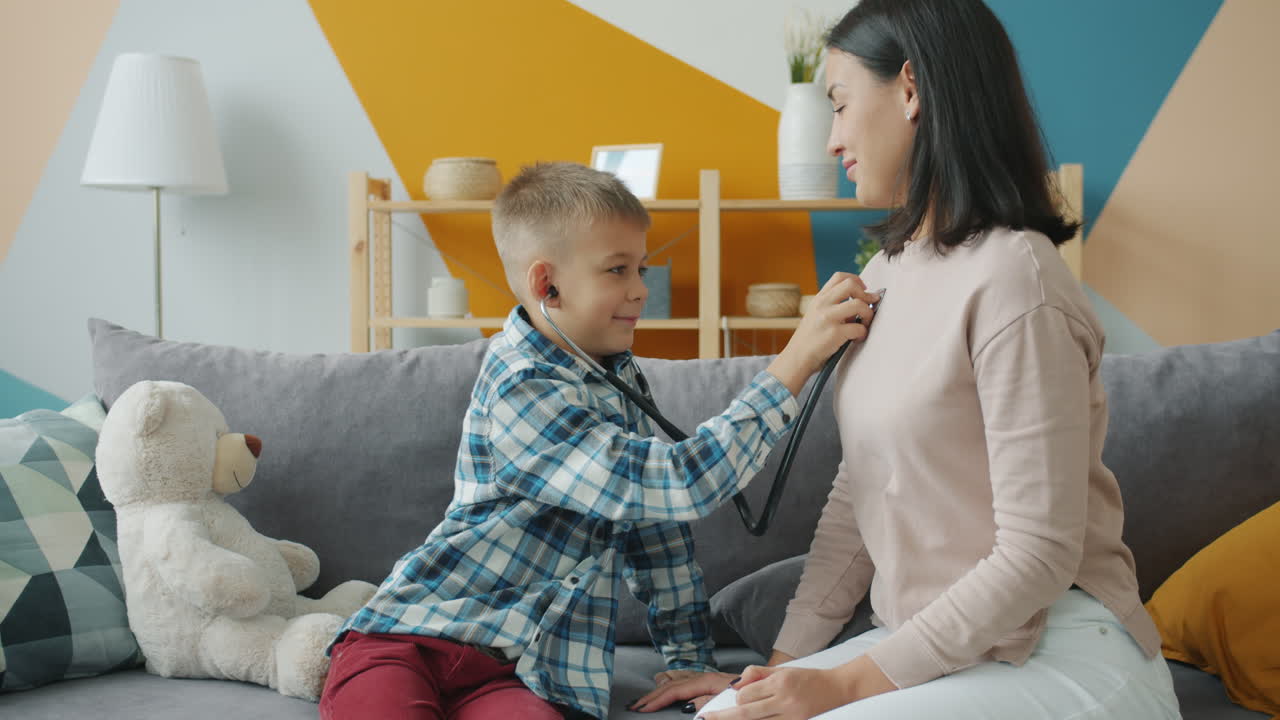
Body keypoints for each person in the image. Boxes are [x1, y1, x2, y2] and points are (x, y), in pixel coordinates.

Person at [631, 1, 1182, 718]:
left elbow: (1039, 554)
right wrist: (777, 674)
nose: (832, 141)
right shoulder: (887, 273)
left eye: (840, 103)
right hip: (938, 648)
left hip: (1062, 649)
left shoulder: (1018, 276)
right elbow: (858, 502)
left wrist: (842, 685)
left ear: (912, 90)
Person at [318, 162, 880, 720]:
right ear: (547, 285)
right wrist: (794, 362)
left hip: (518, 669)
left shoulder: (616, 380)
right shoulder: (523, 387)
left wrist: (688, 660)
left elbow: (658, 539)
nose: (640, 289)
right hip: (409, 640)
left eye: (640, 267)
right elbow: (677, 483)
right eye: (617, 270)